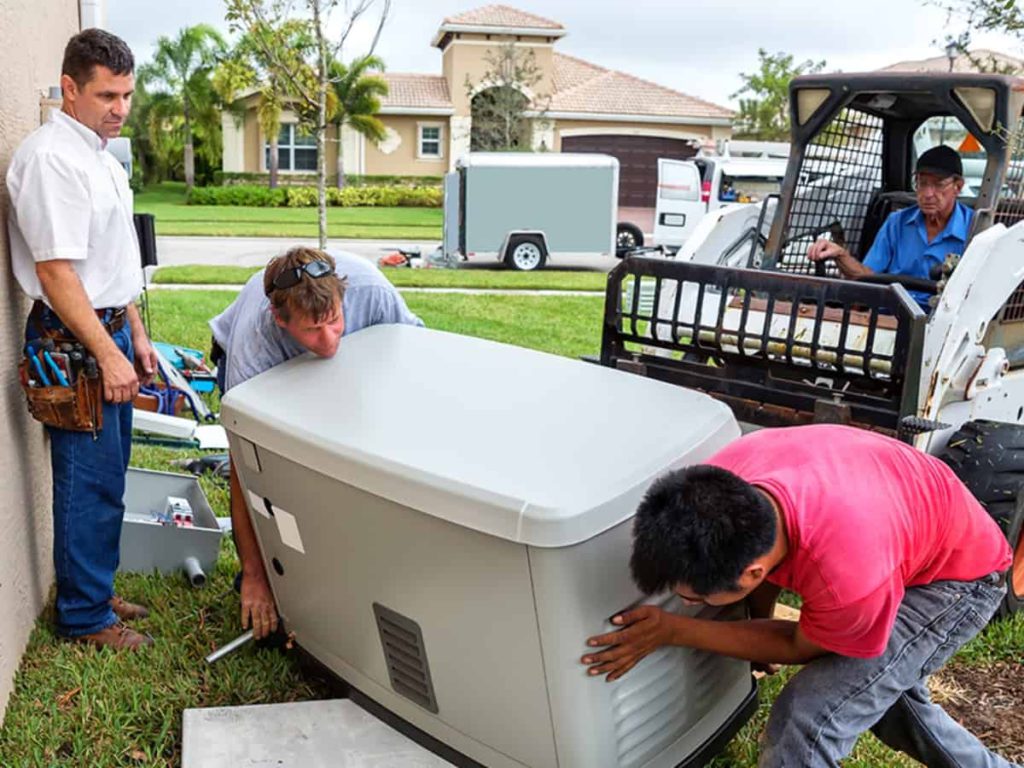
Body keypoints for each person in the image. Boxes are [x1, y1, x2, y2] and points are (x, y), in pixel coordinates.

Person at [582, 425, 1015, 767]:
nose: (686, 602)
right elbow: (769, 563)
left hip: (961, 579)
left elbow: (798, 646)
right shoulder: (723, 484)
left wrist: (675, 629)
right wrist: (753, 617)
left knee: (808, 719)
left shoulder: (846, 575)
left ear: (752, 572)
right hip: (904, 521)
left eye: (694, 597)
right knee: (882, 697)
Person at [6, 29, 158, 650]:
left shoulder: (97, 153)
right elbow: (57, 273)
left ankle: (94, 588)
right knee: (85, 479)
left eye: (126, 94)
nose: (120, 108)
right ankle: (83, 617)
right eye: (106, 95)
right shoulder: (52, 160)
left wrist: (137, 336)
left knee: (110, 477)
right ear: (70, 89)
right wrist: (106, 350)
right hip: (74, 338)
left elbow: (109, 262)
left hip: (108, 328)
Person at [209, 246, 423, 639]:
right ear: (280, 319)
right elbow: (243, 466)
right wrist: (255, 577)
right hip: (266, 373)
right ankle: (270, 577)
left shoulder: (372, 292)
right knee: (279, 472)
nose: (327, 340)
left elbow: (413, 366)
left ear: (344, 299)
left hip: (352, 367)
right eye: (312, 329)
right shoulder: (255, 343)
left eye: (334, 321)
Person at [807, 145, 973, 312]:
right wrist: (839, 254)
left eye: (938, 185)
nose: (928, 193)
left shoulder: (975, 228)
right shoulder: (897, 223)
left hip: (944, 325)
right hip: (889, 317)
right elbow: (866, 277)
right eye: (922, 184)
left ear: (957, 187)